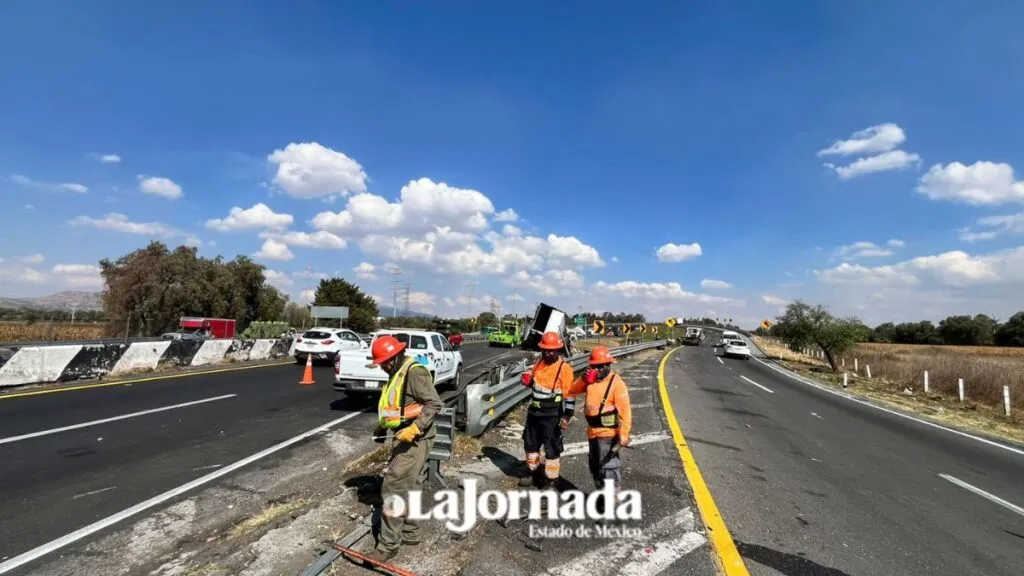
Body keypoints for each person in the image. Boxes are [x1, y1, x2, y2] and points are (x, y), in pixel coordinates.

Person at [367, 335, 443, 562]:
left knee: (394, 487)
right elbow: (396, 405)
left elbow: (434, 404)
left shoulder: (414, 372)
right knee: (413, 484)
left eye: (383, 362)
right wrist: (382, 427)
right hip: (403, 434)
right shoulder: (396, 373)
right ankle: (410, 531)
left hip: (415, 438)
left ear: (393, 357)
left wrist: (415, 429)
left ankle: (388, 545)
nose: (380, 366)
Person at [566, 345, 632, 496]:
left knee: (608, 469)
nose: (597, 370)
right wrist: (583, 379)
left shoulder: (617, 383)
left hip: (608, 434)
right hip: (593, 432)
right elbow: (572, 391)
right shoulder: (590, 381)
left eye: (601, 366)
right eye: (594, 366)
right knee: (595, 466)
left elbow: (625, 411)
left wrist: (624, 434)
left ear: (608, 365)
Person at [519, 331, 575, 488]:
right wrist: (528, 382)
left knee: (551, 447)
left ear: (558, 350)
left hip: (552, 415)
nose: (548, 353)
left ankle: (551, 479)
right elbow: (536, 385)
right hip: (534, 412)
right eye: (545, 349)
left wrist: (567, 416)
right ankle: (532, 472)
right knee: (530, 444)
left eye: (551, 350)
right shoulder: (539, 363)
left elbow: (569, 395)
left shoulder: (564, 369)